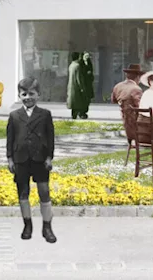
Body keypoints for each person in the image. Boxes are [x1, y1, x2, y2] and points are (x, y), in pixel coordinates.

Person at [6, 77, 56, 243]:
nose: (28, 97)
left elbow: (50, 138)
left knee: (44, 191)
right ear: (19, 95)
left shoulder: (45, 115)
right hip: (20, 159)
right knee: (23, 193)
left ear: (39, 95)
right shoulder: (14, 116)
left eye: (32, 94)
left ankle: (47, 227)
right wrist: (10, 159)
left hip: (40, 159)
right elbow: (10, 139)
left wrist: (49, 157)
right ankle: (27, 225)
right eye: (24, 94)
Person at [66, 52, 95, 120]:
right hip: (79, 86)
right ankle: (80, 113)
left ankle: (78, 113)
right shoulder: (78, 65)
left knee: (76, 100)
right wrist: (82, 87)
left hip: (76, 85)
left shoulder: (72, 65)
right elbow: (79, 78)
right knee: (79, 101)